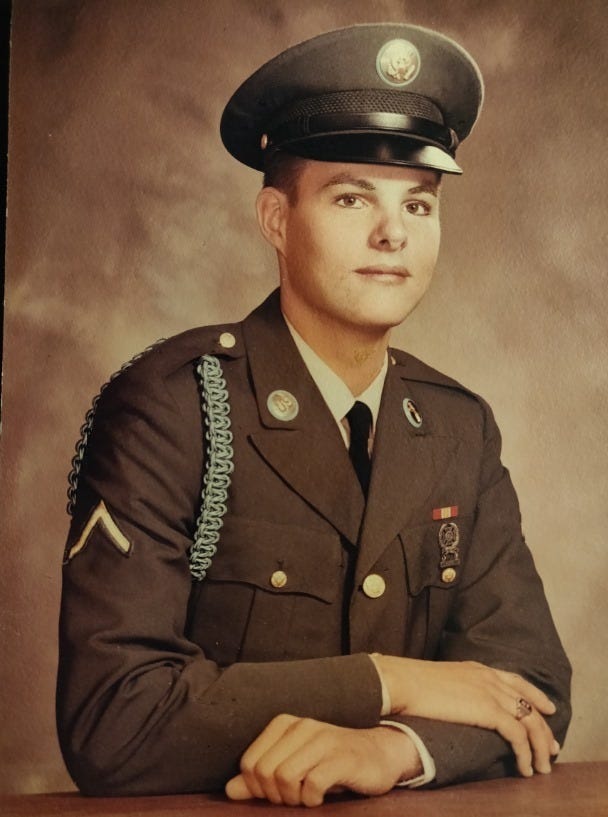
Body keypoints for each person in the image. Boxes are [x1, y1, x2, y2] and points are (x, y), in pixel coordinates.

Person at [57, 23, 571, 808]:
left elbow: (529, 688)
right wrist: (390, 682)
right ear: (275, 218)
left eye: (419, 203)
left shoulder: (458, 427)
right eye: (351, 197)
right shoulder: (175, 408)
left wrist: (392, 748)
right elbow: (114, 721)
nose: (392, 233)